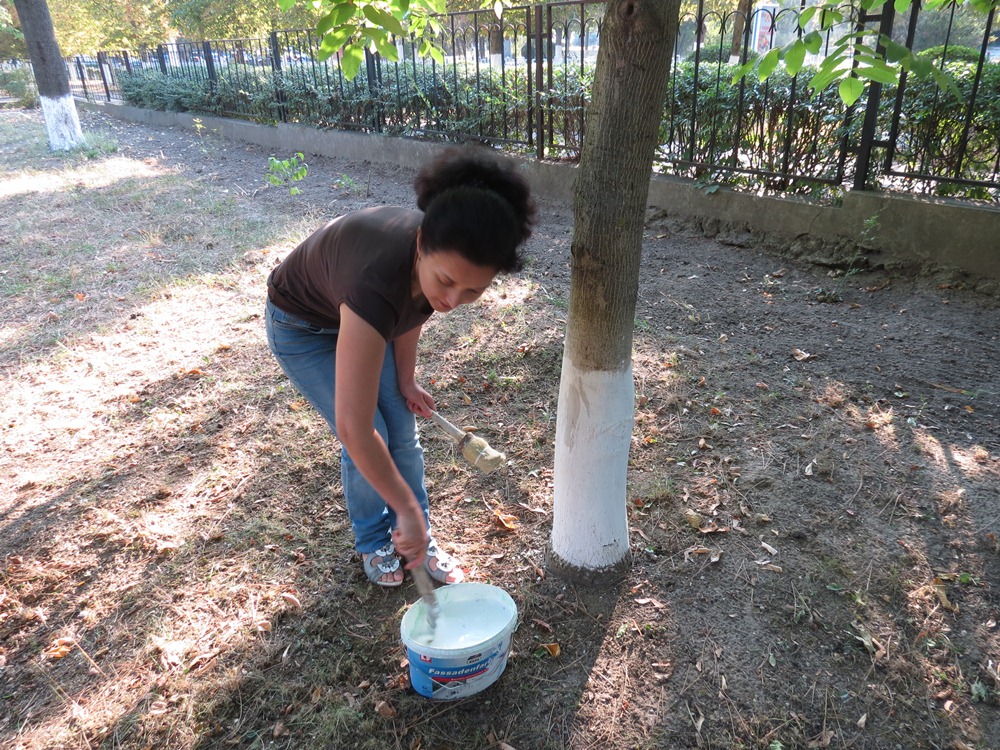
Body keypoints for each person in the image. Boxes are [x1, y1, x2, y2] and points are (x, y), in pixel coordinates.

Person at [265, 147, 536, 587]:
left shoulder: (435, 265)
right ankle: (375, 540)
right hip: (304, 327)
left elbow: (411, 312)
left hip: (362, 317)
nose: (452, 300)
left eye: (472, 291)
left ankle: (418, 538)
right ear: (420, 244)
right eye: (446, 282)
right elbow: (355, 428)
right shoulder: (375, 281)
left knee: (402, 429)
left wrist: (406, 380)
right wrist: (405, 507)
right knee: (372, 429)